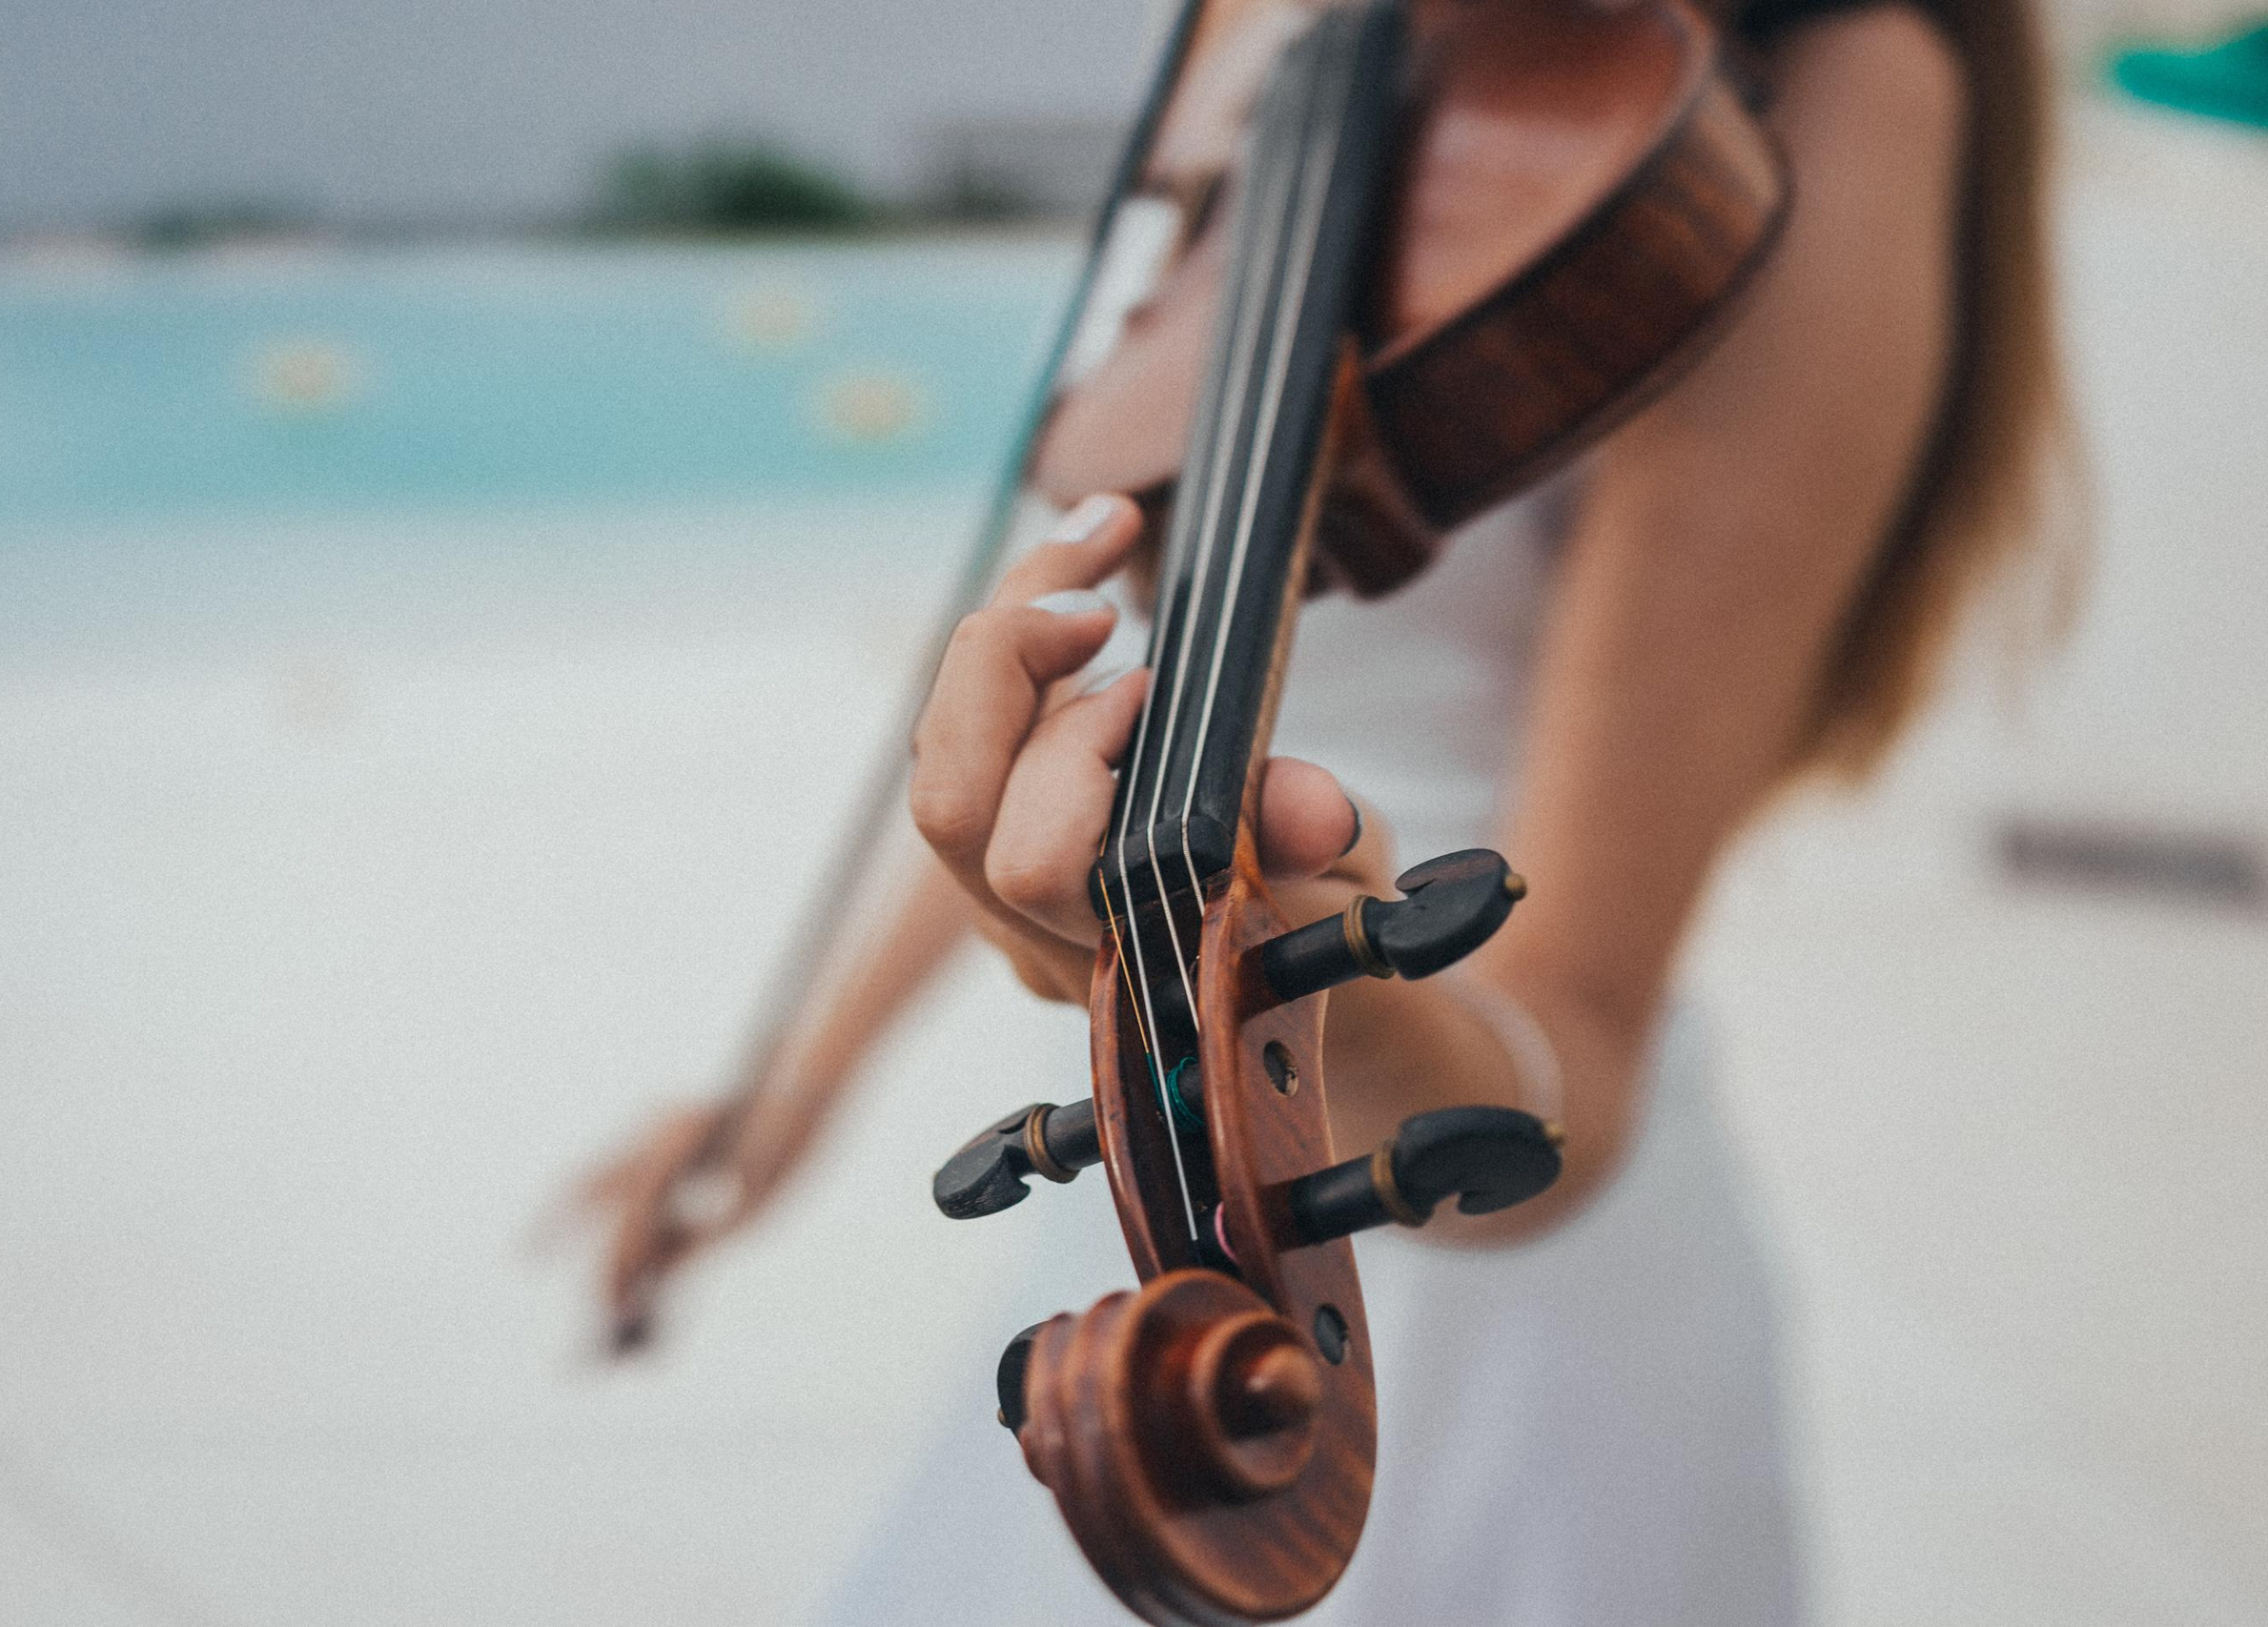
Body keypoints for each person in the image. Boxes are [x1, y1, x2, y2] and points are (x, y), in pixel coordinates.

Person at [574, 0, 2070, 1618]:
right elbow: (1118, 681)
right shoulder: (1267, 28)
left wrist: (1301, 974)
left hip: (1469, 1267)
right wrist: (801, 1082)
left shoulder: (1830, 77)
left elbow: (1569, 1076)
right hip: (1168, 1176)